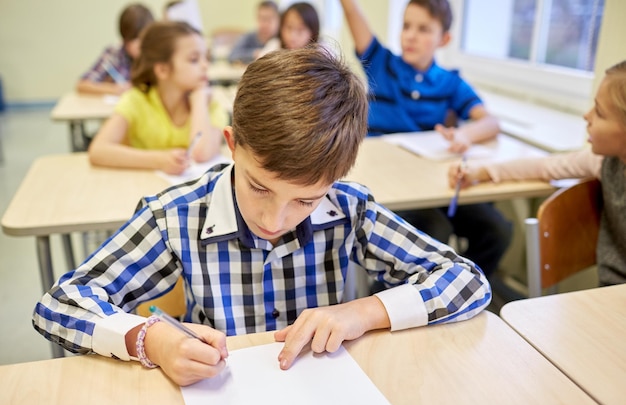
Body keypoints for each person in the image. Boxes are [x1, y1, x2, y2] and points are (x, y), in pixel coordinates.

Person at [33, 47, 491, 387]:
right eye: (259, 187)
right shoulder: (176, 215)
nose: (274, 219)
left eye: (306, 201)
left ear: (335, 179)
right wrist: (148, 338)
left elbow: (467, 281)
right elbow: (59, 305)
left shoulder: (350, 206)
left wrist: (361, 313)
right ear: (232, 145)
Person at [339, 0, 511, 284]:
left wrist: (465, 134)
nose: (410, 35)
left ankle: (461, 288)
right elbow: (351, 10)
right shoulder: (381, 64)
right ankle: (388, 298)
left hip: (434, 184)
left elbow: (491, 123)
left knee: (497, 229)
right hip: (387, 184)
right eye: (406, 26)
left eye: (423, 29)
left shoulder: (450, 82)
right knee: (432, 229)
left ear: (444, 39)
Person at [449, 60, 626, 287]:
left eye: (600, 113)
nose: (587, 116)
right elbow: (545, 166)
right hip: (609, 292)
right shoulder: (603, 161)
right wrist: (482, 171)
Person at [88, 21, 228, 175]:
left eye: (206, 58)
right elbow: (98, 150)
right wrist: (158, 160)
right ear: (162, 70)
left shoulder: (210, 104)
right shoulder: (136, 100)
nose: (205, 65)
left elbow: (201, 153)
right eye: (194, 59)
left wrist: (199, 101)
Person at [77, 3, 154, 96]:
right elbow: (82, 85)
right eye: (133, 39)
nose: (139, 45)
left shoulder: (157, 55)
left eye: (143, 39)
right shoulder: (114, 53)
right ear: (124, 38)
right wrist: (115, 89)